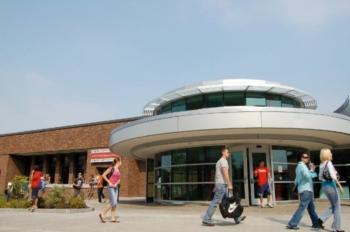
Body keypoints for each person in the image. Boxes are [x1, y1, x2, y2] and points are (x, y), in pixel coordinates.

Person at [202, 146, 246, 226]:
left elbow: (217, 175)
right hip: (222, 185)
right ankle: (206, 218)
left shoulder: (219, 161)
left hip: (220, 185)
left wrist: (216, 185)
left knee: (230, 202)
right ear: (223, 152)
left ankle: (237, 217)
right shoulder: (223, 161)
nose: (228, 154)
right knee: (215, 202)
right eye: (227, 152)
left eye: (229, 152)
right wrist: (229, 184)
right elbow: (225, 174)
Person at [286, 153, 323, 230]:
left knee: (311, 208)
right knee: (302, 208)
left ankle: (316, 223)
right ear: (301, 158)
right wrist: (312, 170)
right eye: (305, 157)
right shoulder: (301, 166)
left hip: (306, 189)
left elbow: (297, 179)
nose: (306, 158)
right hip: (306, 190)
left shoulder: (300, 167)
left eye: (307, 157)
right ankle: (292, 223)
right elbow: (307, 176)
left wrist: (310, 170)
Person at [318, 148, 345, 232]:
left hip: (325, 187)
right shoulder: (329, 163)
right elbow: (333, 176)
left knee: (334, 206)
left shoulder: (321, 164)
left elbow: (320, 177)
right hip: (331, 186)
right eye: (330, 153)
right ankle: (336, 228)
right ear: (326, 154)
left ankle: (320, 220)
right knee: (337, 207)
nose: (331, 154)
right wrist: (340, 185)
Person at [99, 157, 122, 223]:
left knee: (114, 203)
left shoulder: (118, 170)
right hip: (110, 187)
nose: (121, 162)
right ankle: (102, 214)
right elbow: (103, 175)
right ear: (118, 162)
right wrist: (109, 182)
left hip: (115, 187)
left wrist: (116, 184)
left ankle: (113, 218)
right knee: (113, 202)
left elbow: (119, 179)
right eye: (121, 161)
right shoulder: (111, 168)